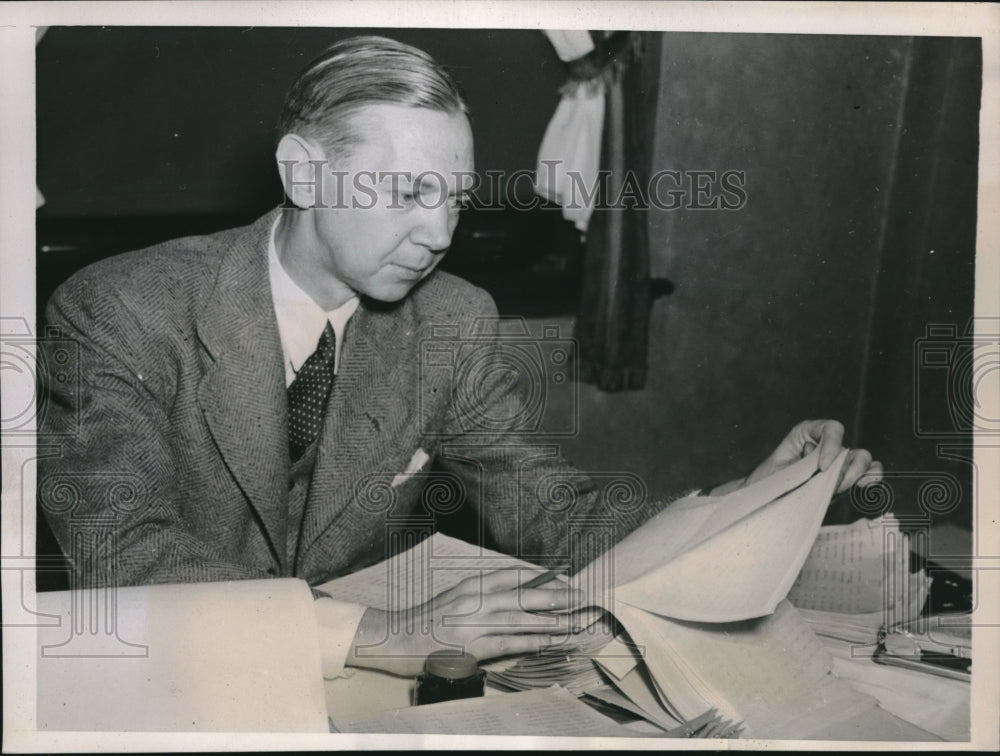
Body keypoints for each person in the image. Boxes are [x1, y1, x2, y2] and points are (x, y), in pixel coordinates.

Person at [38, 35, 882, 679]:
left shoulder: (452, 317)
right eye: (407, 191)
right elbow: (123, 550)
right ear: (302, 174)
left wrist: (749, 496)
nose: (440, 235)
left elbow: (553, 515)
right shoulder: (121, 308)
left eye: (456, 198)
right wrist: (386, 636)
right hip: (167, 679)